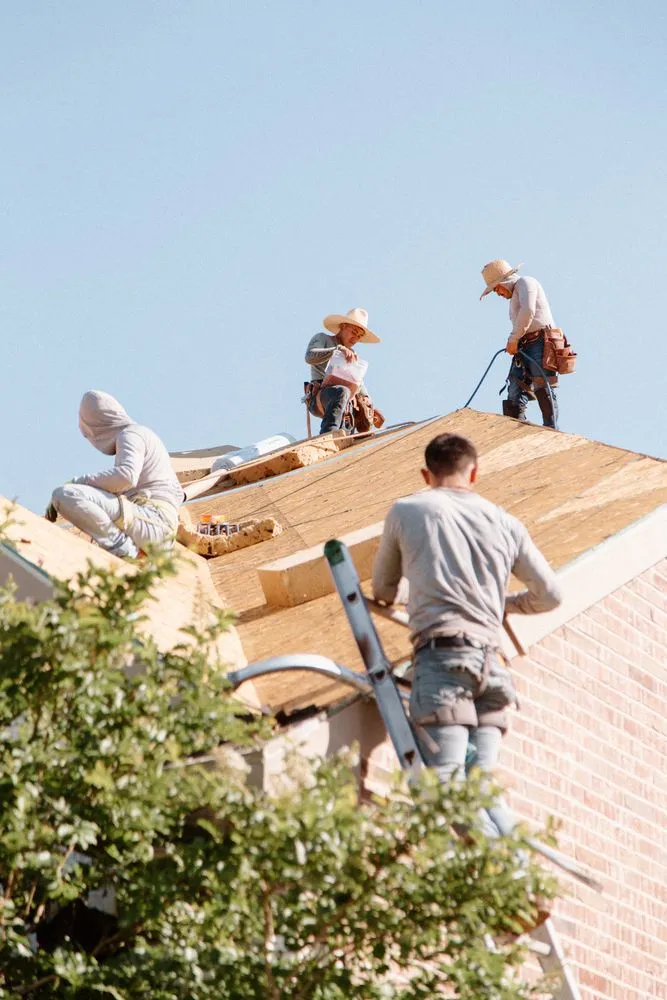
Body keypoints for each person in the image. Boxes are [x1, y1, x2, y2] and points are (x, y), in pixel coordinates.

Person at [372, 433, 562, 928]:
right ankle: (527, 883)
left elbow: (382, 589)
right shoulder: (505, 522)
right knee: (479, 789)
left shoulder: (408, 509)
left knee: (447, 791)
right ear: (474, 474)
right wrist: (503, 604)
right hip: (494, 670)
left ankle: (514, 886)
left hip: (444, 663)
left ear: (425, 473)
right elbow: (551, 595)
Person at [46, 390, 183, 559]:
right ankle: (127, 550)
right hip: (153, 526)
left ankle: (126, 551)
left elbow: (125, 477)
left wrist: (76, 483)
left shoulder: (131, 435)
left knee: (65, 494)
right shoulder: (139, 436)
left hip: (155, 524)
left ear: (97, 427)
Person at [480, 259, 560, 428]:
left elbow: (528, 311)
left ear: (504, 282)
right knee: (515, 391)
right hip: (525, 345)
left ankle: (551, 429)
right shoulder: (516, 294)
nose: (498, 293)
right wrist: (516, 340)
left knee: (542, 388)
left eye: (496, 288)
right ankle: (516, 431)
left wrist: (514, 339)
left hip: (540, 341)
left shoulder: (525, 282)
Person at [304, 307, 381, 434]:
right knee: (343, 391)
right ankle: (327, 436)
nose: (355, 339)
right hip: (321, 395)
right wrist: (336, 351)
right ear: (343, 326)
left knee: (350, 406)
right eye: (354, 332)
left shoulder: (352, 354)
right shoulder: (323, 339)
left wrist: (368, 401)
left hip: (346, 404)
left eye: (359, 336)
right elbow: (309, 357)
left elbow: (359, 382)